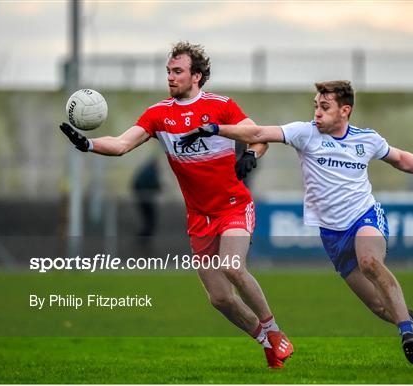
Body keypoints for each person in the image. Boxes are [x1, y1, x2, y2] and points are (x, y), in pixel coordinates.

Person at [179, 80, 413, 365]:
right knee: (379, 306)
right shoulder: (305, 133)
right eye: (315, 106)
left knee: (370, 262)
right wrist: (217, 129)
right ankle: (407, 318)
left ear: (345, 110)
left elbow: (401, 158)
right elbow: (257, 131)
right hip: (332, 234)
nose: (317, 112)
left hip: (364, 217)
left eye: (324, 107)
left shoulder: (366, 140)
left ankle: (407, 334)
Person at [59, 41, 293, 369]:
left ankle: (275, 330)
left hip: (233, 206)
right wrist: (89, 144)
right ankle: (264, 340)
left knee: (232, 266)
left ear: (197, 76)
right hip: (199, 216)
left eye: (178, 71)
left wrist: (252, 154)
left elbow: (257, 135)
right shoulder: (159, 114)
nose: (171, 77)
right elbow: (122, 144)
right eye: (168, 71)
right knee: (220, 298)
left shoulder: (222, 106)